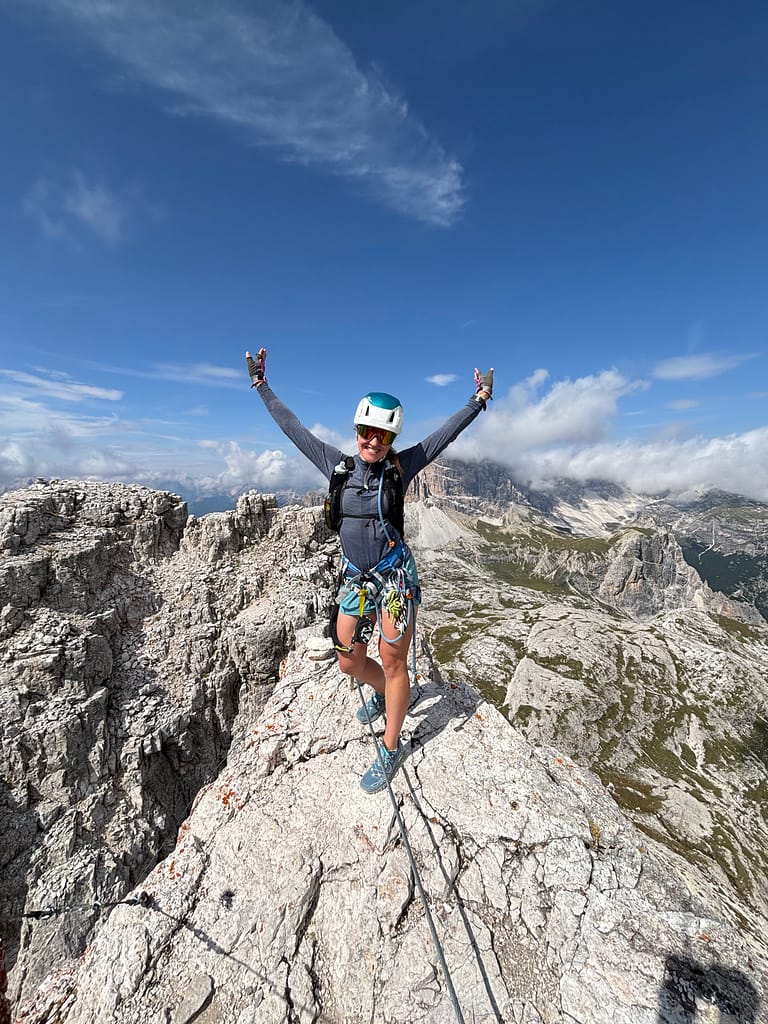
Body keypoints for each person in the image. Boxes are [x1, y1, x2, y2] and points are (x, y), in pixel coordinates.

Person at [246, 347, 493, 794]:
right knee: (348, 661)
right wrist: (262, 386)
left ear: (391, 439)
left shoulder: (402, 466)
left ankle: (391, 744)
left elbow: (444, 436)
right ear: (356, 430)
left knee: (394, 661)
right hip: (356, 579)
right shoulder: (336, 466)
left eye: (382, 435)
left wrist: (478, 400)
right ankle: (382, 692)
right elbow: (293, 428)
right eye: (366, 432)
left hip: (395, 578)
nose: (373, 441)